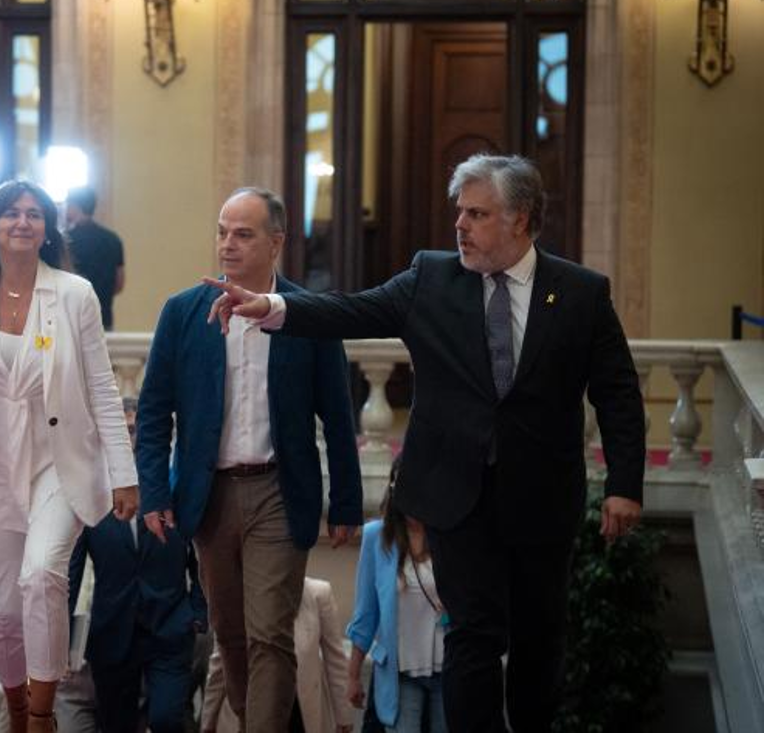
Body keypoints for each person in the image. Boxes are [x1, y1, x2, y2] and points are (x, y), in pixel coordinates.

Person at [205, 154, 646, 733]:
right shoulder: (433, 278)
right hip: (454, 493)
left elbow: (617, 393)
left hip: (541, 498)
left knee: (540, 639)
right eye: (459, 212)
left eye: (477, 214)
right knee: (472, 635)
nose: (460, 225)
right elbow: (351, 309)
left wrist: (623, 487)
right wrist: (272, 307)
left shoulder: (581, 293)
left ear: (521, 219)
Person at [0, 179, 139, 733]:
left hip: (60, 464)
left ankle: (42, 718)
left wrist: (124, 474)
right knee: (5, 611)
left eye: (34, 214)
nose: (22, 222)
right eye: (11, 214)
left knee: (43, 576)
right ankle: (16, 714)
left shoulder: (74, 294)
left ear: (47, 229)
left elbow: (104, 389)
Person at [135, 186, 362, 732]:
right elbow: (153, 410)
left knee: (269, 635)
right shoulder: (182, 313)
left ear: (276, 242)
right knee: (230, 637)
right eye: (221, 232)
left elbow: (338, 414)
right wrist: (154, 492)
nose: (227, 245)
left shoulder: (307, 315)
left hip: (280, 494)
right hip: (208, 497)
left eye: (243, 234)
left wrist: (348, 503)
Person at [67, 483, 207, 733]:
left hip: (169, 630)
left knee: (167, 720)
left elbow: (202, 555)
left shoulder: (175, 487)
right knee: (117, 726)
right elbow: (72, 573)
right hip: (111, 634)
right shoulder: (90, 500)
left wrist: (197, 611)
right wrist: (62, 640)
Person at [348, 463, 447, 733]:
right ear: (394, 489)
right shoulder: (376, 538)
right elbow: (365, 613)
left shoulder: (449, 537)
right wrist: (353, 675)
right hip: (401, 672)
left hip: (449, 669)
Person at [202, 577, 355, 733]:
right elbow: (220, 663)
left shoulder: (318, 594)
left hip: (300, 712)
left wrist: (344, 715)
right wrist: (208, 721)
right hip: (250, 709)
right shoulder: (236, 596)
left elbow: (335, 660)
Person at [64, 186, 124, 330]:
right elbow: (119, 283)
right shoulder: (113, 239)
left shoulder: (65, 241)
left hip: (71, 319)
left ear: (73, 205)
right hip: (103, 318)